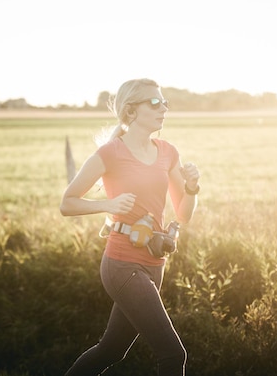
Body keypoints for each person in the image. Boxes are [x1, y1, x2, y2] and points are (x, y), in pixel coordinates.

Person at [60, 78, 200, 375]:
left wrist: (192, 187)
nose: (163, 108)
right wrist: (106, 205)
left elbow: (184, 214)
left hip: (155, 263)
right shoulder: (110, 153)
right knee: (173, 355)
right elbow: (67, 203)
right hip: (122, 263)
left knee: (110, 351)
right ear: (131, 112)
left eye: (164, 102)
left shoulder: (167, 152)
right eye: (154, 102)